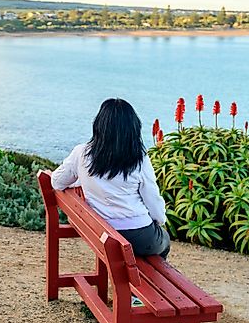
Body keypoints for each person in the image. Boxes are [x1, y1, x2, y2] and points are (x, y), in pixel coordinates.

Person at [50, 98, 170, 259]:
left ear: (99, 125)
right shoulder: (139, 158)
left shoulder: (82, 153)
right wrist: (160, 220)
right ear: (133, 129)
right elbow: (152, 200)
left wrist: (81, 179)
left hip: (101, 232)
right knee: (164, 241)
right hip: (139, 236)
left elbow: (57, 182)